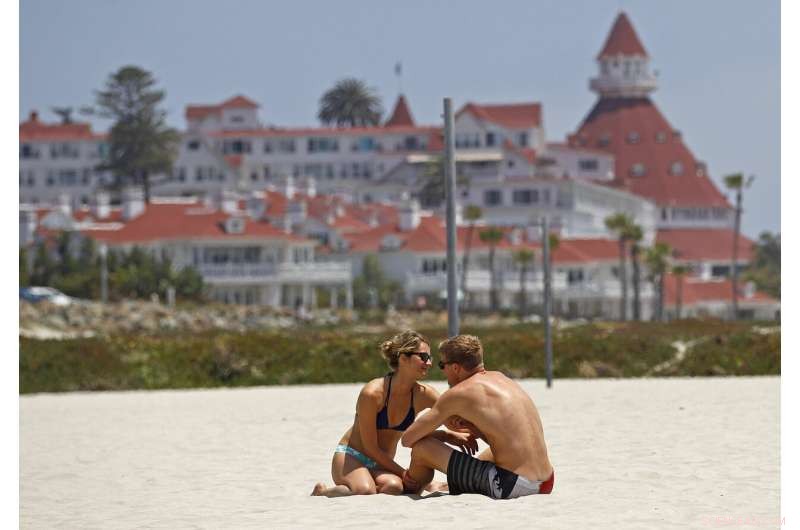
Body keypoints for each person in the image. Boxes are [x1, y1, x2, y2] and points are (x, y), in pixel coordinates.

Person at [311, 330, 475, 497]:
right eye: (424, 357)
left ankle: (367, 483)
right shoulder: (373, 393)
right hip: (352, 457)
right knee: (365, 490)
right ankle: (322, 492)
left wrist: (470, 432)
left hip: (381, 465)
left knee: (394, 488)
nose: (429, 363)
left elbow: (453, 420)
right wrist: (403, 473)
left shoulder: (424, 394)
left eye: (430, 358)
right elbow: (370, 447)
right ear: (403, 358)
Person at [400, 334, 554, 499]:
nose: (442, 371)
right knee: (492, 454)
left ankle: (410, 490)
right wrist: (478, 431)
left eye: (441, 365)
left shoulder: (458, 393)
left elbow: (407, 439)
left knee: (423, 449)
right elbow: (506, 437)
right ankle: (447, 485)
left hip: (510, 486)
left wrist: (446, 436)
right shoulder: (502, 379)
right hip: (546, 481)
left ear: (456, 368)